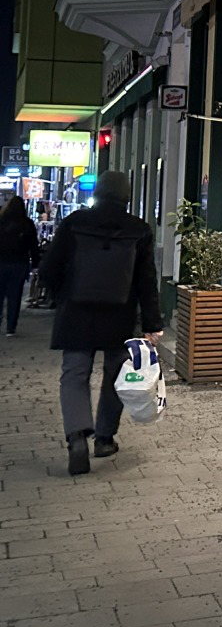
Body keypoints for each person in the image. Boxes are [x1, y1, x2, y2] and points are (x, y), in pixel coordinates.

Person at [39, 172, 162, 475]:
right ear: (127, 196)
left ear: (98, 192)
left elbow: (50, 268)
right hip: (119, 314)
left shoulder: (75, 222)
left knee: (74, 374)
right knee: (116, 375)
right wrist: (151, 323)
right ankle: (105, 438)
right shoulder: (139, 229)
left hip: (76, 311)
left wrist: (60, 296)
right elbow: (146, 281)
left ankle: (77, 436)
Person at [0, 196, 40, 336]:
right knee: (15, 296)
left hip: (1, 262)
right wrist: (36, 264)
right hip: (19, 264)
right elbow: (34, 246)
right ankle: (11, 327)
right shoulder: (27, 223)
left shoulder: (1, 221)